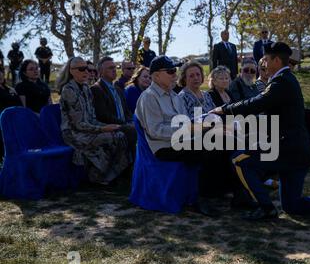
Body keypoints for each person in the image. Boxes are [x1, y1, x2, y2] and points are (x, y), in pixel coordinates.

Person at [210, 42, 310, 222]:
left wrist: (224, 110)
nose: (262, 63)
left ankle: (266, 208)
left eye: (266, 59)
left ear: (277, 61)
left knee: (239, 160)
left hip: (285, 148)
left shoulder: (281, 82)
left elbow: (255, 104)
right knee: (292, 206)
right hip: (296, 151)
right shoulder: (285, 80)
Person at [134, 56, 219, 216]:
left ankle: (218, 191)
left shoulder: (173, 95)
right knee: (208, 145)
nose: (174, 74)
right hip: (163, 147)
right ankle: (197, 199)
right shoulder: (149, 97)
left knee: (219, 140)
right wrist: (189, 130)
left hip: (180, 141)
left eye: (175, 70)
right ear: (156, 75)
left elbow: (185, 122)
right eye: (170, 71)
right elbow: (156, 131)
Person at [57, 57, 131, 185]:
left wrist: (107, 126)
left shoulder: (86, 88)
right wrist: (102, 129)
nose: (86, 72)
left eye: (87, 68)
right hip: (74, 133)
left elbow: (91, 118)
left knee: (119, 133)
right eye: (81, 69)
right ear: (71, 71)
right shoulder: (69, 90)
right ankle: (98, 176)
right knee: (112, 137)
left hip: (88, 129)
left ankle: (111, 175)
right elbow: (78, 124)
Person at [91, 57, 136, 158]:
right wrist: (125, 124)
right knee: (133, 132)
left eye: (115, 67)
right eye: (110, 68)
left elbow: (126, 111)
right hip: (111, 126)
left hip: (124, 124)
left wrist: (132, 120)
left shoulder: (118, 89)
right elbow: (103, 115)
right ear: (101, 72)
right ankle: (132, 167)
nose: (114, 70)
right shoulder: (96, 89)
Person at [0, 65, 23, 159]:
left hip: (15, 123)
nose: (1, 76)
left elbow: (20, 105)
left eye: (1, 74)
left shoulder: (9, 89)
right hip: (2, 125)